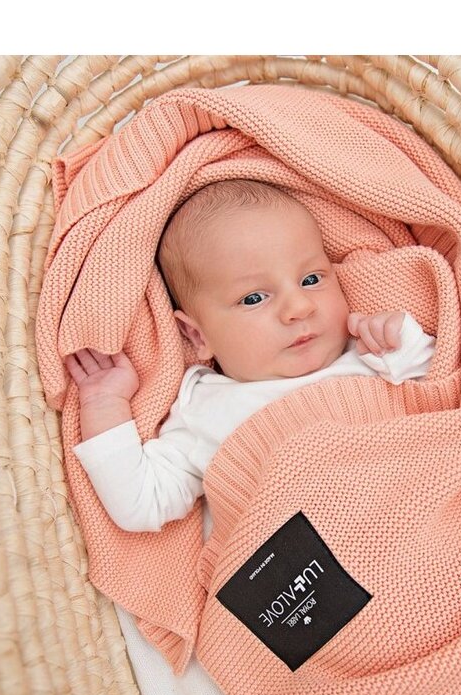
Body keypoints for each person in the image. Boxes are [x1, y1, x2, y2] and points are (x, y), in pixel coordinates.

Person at [65, 180, 436, 533]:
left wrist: (402, 337)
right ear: (197, 335)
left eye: (311, 280)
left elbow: (441, 393)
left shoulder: (372, 357)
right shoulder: (206, 411)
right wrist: (104, 404)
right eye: (254, 298)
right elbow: (143, 503)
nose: (299, 307)